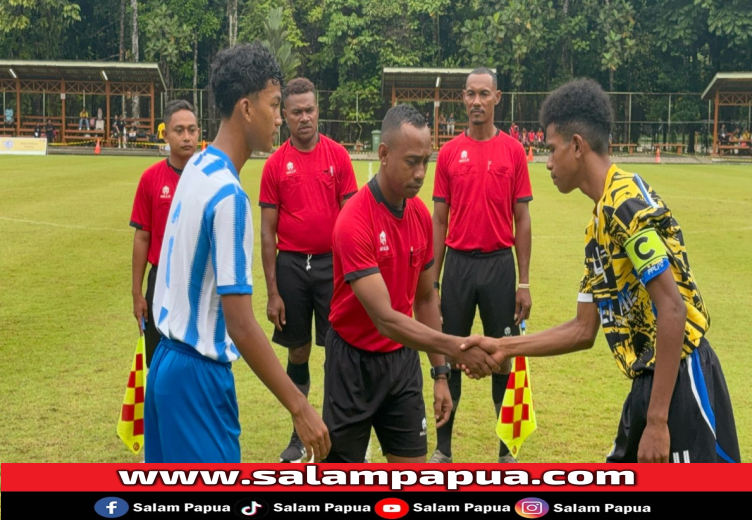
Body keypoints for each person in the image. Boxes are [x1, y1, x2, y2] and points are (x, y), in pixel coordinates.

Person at [463, 78, 741, 464]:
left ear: (577, 146)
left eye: (551, 149)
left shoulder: (625, 202)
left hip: (682, 378)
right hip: (649, 381)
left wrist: (659, 421)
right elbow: (582, 329)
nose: (546, 162)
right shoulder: (599, 225)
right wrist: (502, 345)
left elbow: (673, 308)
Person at [146, 42, 330, 464]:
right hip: (197, 378)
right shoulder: (230, 196)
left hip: (165, 365)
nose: (281, 119)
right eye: (275, 105)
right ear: (246, 108)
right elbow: (241, 323)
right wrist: (299, 406)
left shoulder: (196, 166)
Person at [323, 104, 501, 463]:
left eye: (426, 161)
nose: (421, 173)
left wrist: (439, 372)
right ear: (384, 154)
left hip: (401, 364)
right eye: (411, 162)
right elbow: (385, 319)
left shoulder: (420, 215)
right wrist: (456, 346)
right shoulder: (354, 220)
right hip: (352, 365)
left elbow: (424, 299)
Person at [429, 67, 533, 464]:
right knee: (450, 354)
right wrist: (432, 284)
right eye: (470, 94)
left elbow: (522, 219)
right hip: (457, 266)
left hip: (498, 267)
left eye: (483, 94)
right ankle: (443, 449)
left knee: (501, 356)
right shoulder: (450, 153)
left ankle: (506, 453)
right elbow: (439, 220)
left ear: (497, 98)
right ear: (463, 99)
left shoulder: (513, 151)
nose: (476, 101)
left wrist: (524, 282)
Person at [259, 77, 358, 463]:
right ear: (284, 115)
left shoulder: (337, 157)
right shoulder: (274, 164)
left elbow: (353, 222)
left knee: (338, 352)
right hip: (291, 267)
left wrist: (352, 278)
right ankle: (299, 435)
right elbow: (268, 232)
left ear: (319, 110)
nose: (305, 117)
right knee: (298, 352)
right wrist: (272, 291)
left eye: (310, 110)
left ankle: (340, 433)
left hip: (332, 268)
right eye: (296, 111)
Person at [130, 100, 200, 369]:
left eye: (192, 130)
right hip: (161, 280)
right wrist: (137, 293)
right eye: (179, 130)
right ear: (165, 134)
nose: (186, 137)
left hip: (197, 277)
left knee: (194, 357)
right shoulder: (151, 179)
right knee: (158, 359)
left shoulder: (208, 177)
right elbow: (142, 237)